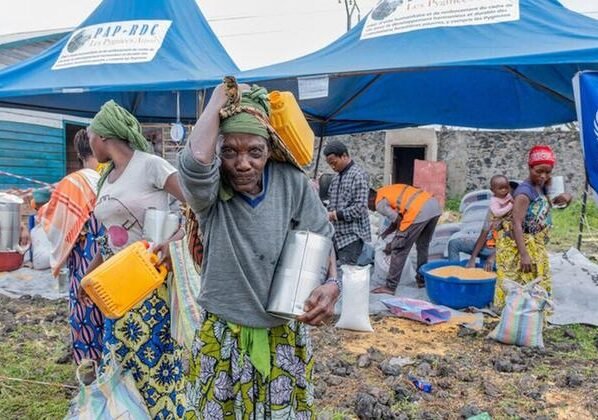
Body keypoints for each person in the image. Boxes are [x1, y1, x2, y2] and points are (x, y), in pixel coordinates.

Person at [178, 79, 339, 419]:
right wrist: (218, 99)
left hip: (283, 334)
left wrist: (331, 283)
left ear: (269, 149)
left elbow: (320, 234)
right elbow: (195, 163)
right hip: (223, 334)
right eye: (230, 151)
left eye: (255, 151)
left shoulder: (291, 182)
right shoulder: (210, 192)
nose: (243, 163)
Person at [86, 100, 187, 418]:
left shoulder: (151, 165)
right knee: (119, 356)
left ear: (103, 136)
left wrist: (174, 242)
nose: (89, 144)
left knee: (153, 360)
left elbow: (197, 205)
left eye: (89, 136)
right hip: (116, 283)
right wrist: (90, 274)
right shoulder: (106, 178)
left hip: (150, 281)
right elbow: (109, 235)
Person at [37, 129, 105, 364]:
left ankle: (90, 364)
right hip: (111, 250)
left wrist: (41, 211)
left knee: (85, 305)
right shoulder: (112, 177)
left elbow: (54, 219)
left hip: (85, 254)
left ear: (79, 153)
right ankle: (112, 364)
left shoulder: (72, 182)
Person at [495, 145, 572, 306]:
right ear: (530, 167)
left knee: (535, 285)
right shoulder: (524, 192)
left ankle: (532, 315)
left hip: (535, 243)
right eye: (539, 171)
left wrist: (567, 197)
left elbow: (555, 203)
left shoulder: (543, 184)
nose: (543, 176)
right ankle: (513, 316)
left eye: (548, 172)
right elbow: (516, 223)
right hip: (517, 245)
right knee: (516, 285)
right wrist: (524, 255)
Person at [369, 184, 442, 292]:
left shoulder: (379, 203)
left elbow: (398, 220)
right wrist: (386, 233)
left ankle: (390, 286)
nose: (370, 209)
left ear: (371, 199)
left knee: (399, 249)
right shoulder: (384, 191)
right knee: (422, 246)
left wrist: (392, 243)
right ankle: (422, 280)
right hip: (433, 207)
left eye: (367, 205)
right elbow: (398, 218)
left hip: (418, 211)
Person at [448, 176, 518, 271]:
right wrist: (473, 258)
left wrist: (493, 257)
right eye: (501, 189)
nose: (505, 193)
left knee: (492, 267)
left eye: (507, 190)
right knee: (454, 243)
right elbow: (484, 233)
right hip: (489, 246)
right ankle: (454, 274)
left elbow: (514, 243)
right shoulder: (494, 209)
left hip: (504, 251)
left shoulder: (517, 212)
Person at [323, 140, 371, 266]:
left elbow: (360, 207)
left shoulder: (358, 175)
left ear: (344, 156)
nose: (333, 167)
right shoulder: (336, 179)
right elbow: (331, 204)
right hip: (336, 235)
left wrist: (334, 215)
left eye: (334, 163)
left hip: (352, 237)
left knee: (348, 272)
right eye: (330, 164)